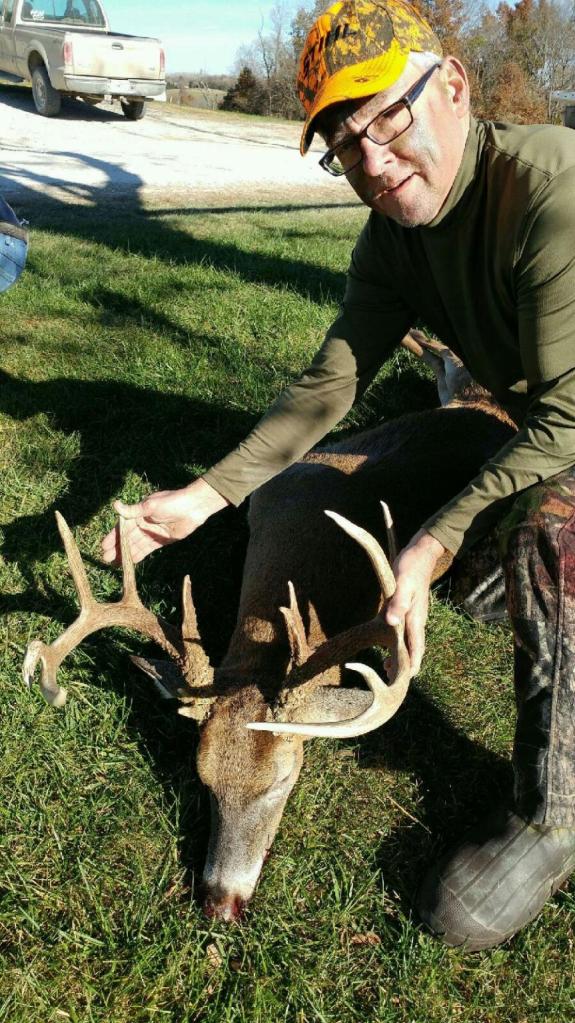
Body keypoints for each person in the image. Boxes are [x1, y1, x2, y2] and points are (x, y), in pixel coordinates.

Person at [101, 0, 575, 951]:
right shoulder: (395, 234)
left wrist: (434, 541)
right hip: (531, 407)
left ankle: (551, 814)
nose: (374, 159)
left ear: (453, 86)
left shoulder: (548, 191)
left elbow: (570, 415)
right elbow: (329, 385)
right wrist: (207, 496)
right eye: (344, 145)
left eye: (387, 117)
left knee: (550, 536)